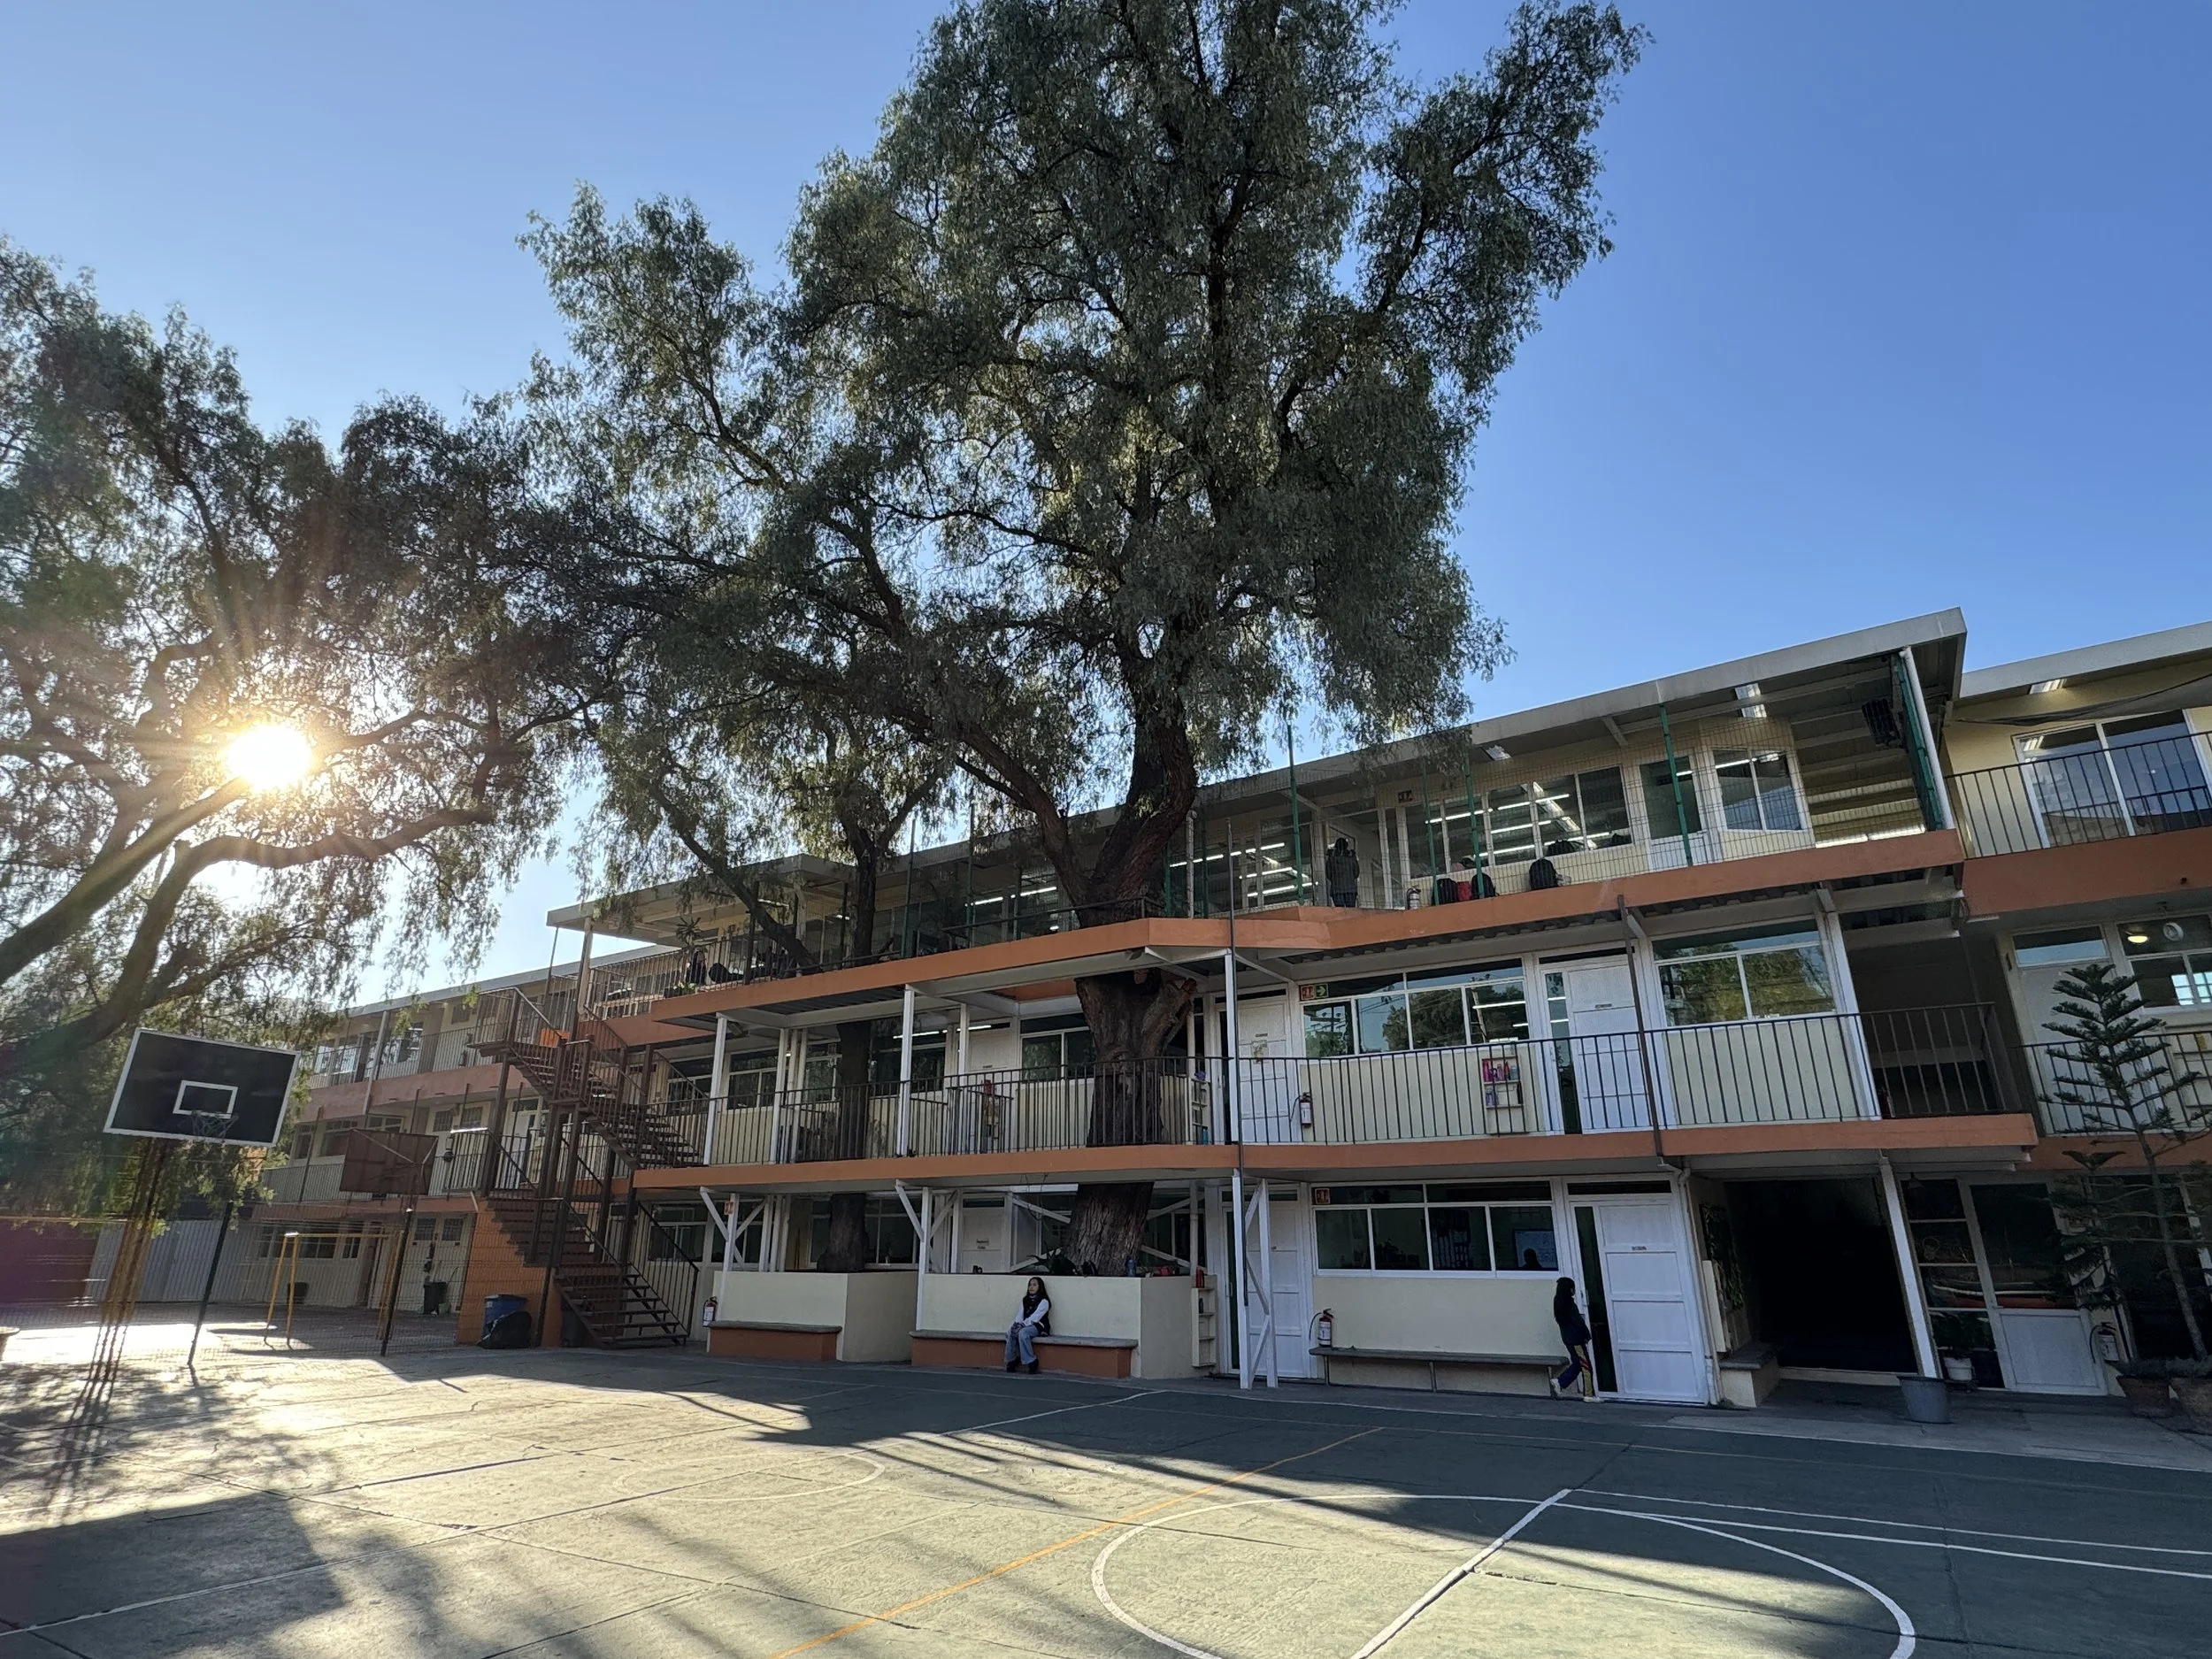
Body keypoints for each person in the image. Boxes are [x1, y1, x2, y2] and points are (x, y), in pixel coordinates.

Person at [1550, 1276, 1596, 1401]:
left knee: (1578, 1364)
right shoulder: (1569, 1304)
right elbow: (1578, 1322)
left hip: (1568, 1339)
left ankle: (1561, 1382)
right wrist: (1586, 1335)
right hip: (1576, 1339)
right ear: (1570, 1289)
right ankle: (1588, 1394)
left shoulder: (1558, 1303)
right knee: (1586, 1366)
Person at [1005, 1276, 1051, 1372]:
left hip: (1038, 1326)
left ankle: (1031, 1361)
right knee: (1011, 1332)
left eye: (1034, 1285)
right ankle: (1012, 1359)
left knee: (1023, 1333)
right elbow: (1020, 1315)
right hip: (1025, 1324)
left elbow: (1035, 1317)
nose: (1031, 1287)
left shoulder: (1044, 1301)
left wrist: (1023, 1325)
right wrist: (1016, 1325)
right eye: (1030, 1285)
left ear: (1040, 1287)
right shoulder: (1025, 1300)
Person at [1325, 837, 1361, 907]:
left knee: (1340, 910)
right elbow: (1356, 873)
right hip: (1350, 889)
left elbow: (1328, 874)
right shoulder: (1352, 857)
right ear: (1346, 846)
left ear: (1336, 846)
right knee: (1351, 911)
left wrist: (1335, 879)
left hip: (1336, 889)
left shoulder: (1331, 858)